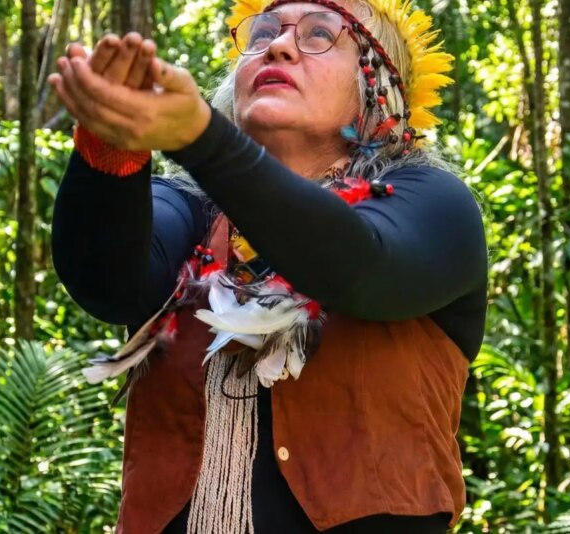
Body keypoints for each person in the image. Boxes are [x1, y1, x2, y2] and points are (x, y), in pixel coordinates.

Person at [48, 0, 487, 532]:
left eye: (320, 33)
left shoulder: (431, 202)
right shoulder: (190, 210)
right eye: (262, 32)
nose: (277, 45)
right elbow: (109, 282)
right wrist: (110, 143)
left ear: (380, 86)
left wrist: (204, 140)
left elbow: (360, 266)